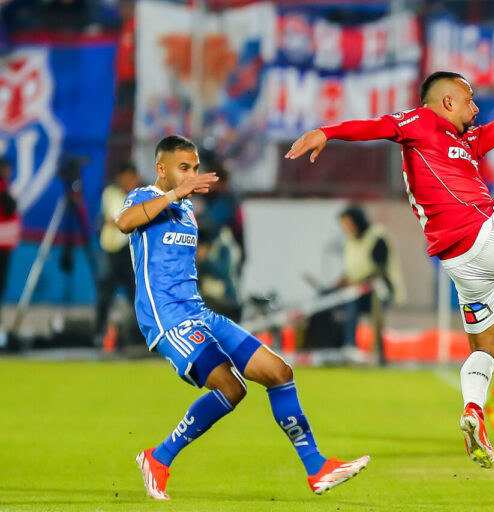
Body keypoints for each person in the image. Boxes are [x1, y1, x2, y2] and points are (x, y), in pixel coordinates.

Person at [286, 65, 494, 468]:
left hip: (464, 266)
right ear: (447, 102)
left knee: (486, 348)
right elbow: (377, 126)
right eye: (469, 100)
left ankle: (473, 409)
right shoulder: (421, 122)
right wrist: (328, 132)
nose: (476, 109)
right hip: (488, 238)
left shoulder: (467, 141)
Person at [117, 135, 369, 500]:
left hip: (199, 313)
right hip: (168, 319)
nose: (191, 175)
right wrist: (174, 193)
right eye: (183, 168)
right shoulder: (144, 196)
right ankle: (159, 458)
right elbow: (124, 223)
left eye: (195, 168)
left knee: (279, 372)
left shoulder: (188, 211)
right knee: (230, 388)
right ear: (161, 168)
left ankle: (317, 468)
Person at [337, 204, 406, 351]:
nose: (346, 228)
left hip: (379, 289)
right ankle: (331, 344)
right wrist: (342, 282)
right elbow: (351, 269)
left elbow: (380, 269)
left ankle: (352, 346)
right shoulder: (349, 241)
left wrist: (357, 283)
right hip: (356, 289)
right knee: (331, 299)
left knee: (352, 302)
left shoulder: (376, 236)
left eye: (348, 224)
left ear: (356, 221)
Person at [95, 161, 140, 346]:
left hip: (132, 253)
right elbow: (118, 219)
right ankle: (99, 334)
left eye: (132, 179)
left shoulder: (142, 195)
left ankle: (142, 335)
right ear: (120, 178)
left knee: (137, 296)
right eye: (126, 179)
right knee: (105, 295)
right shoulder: (111, 193)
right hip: (112, 252)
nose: (129, 182)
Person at [0, 158, 19, 325]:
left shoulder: (5, 187)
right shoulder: (2, 188)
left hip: (5, 244)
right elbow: (10, 207)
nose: (8, 172)